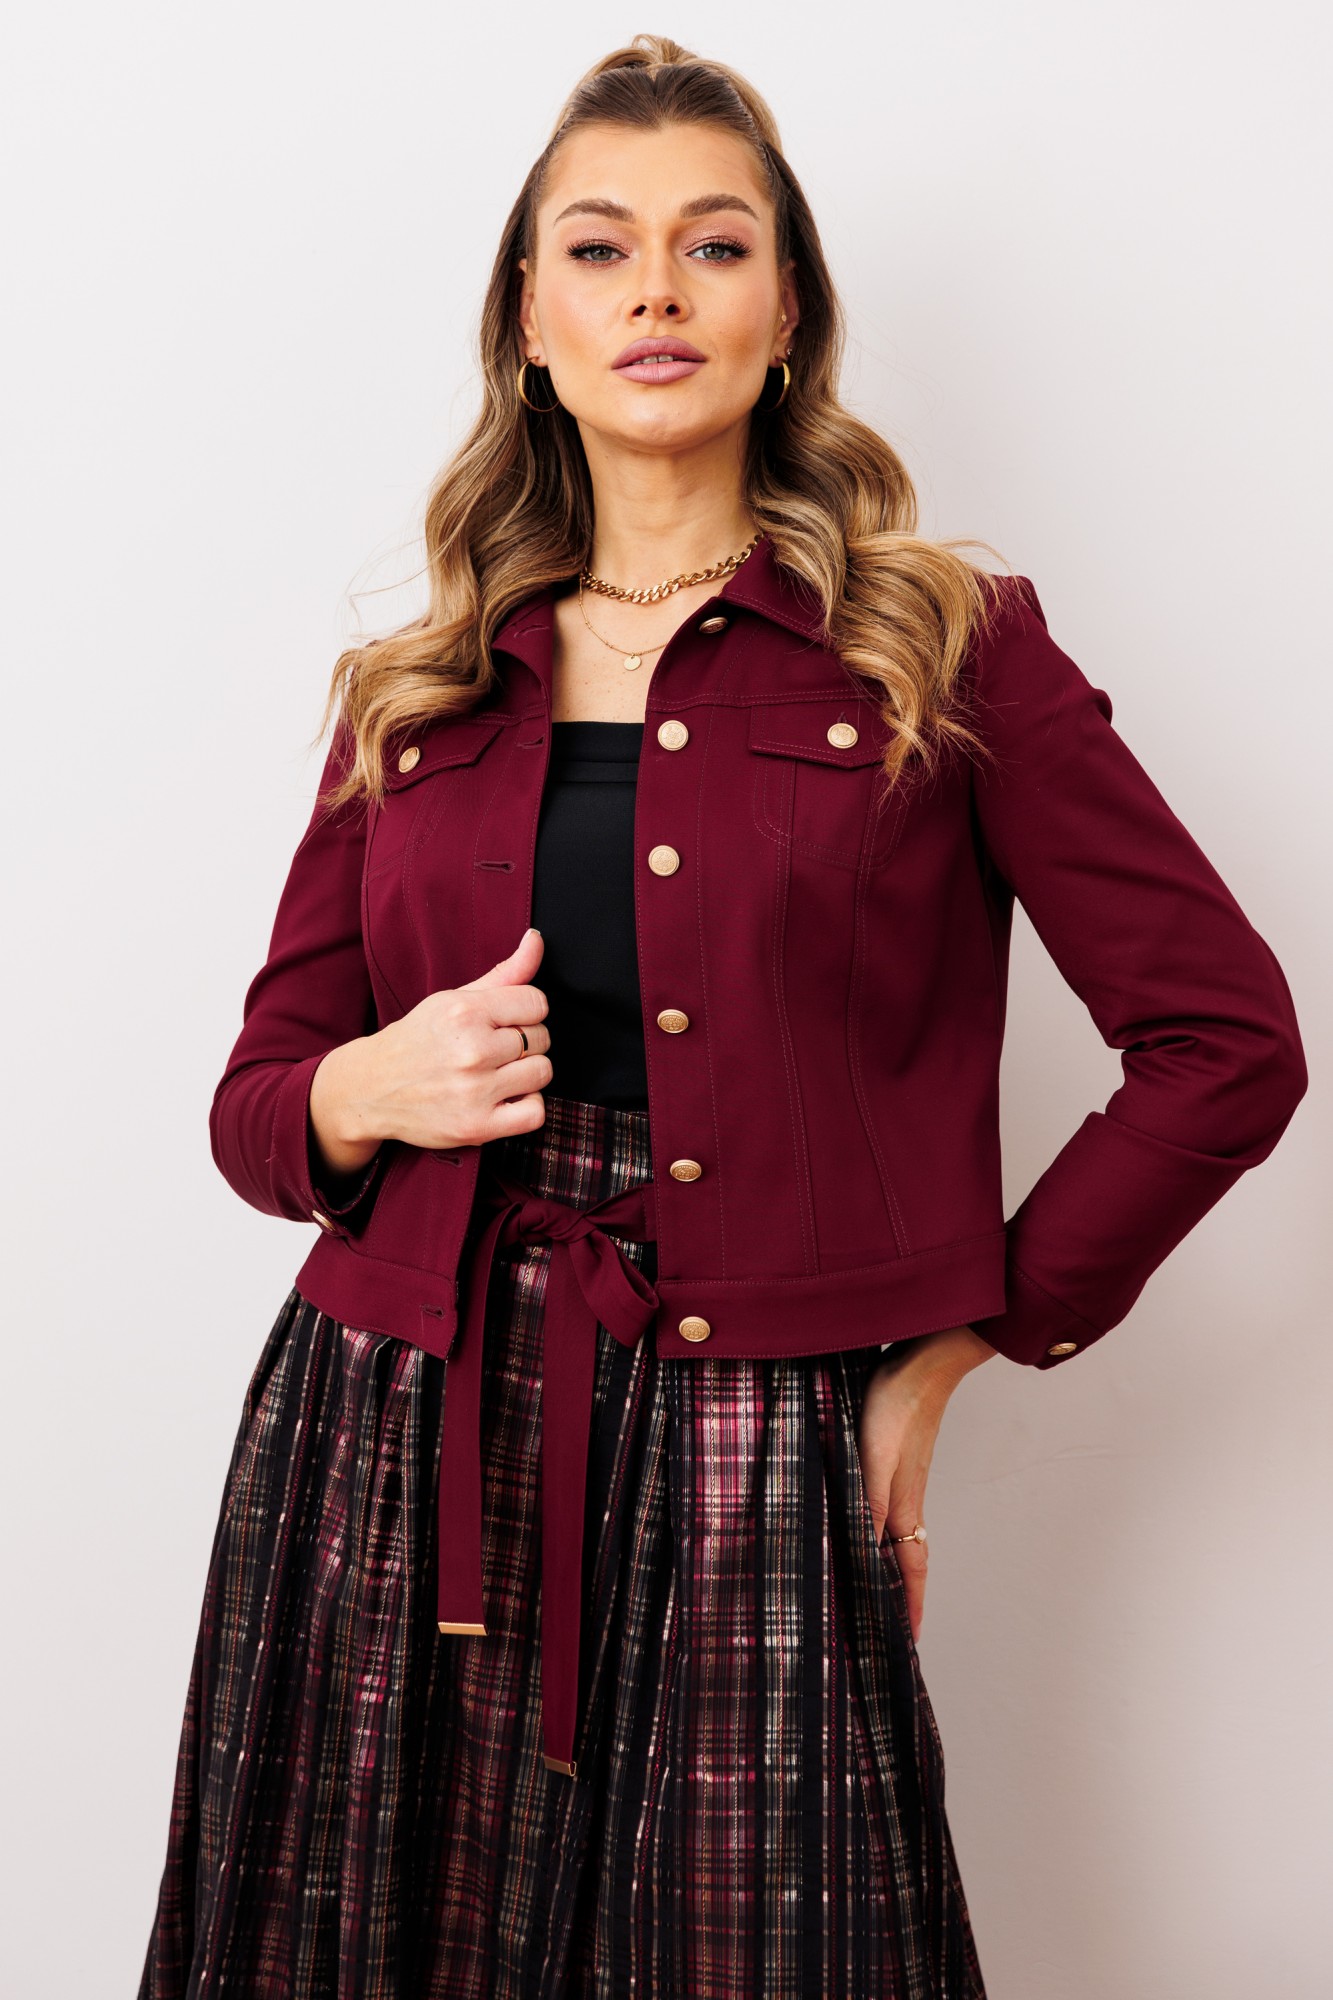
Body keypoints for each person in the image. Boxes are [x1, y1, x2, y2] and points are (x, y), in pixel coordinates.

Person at [136, 34, 1307, 2000]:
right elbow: (258, 1106)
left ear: (786, 315)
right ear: (530, 322)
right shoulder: (413, 685)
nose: (655, 291)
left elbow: (1224, 1040)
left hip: (762, 1427)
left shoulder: (943, 646)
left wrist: (962, 1345)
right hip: (394, 1418)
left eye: (715, 243)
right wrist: (363, 1084)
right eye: (598, 248)